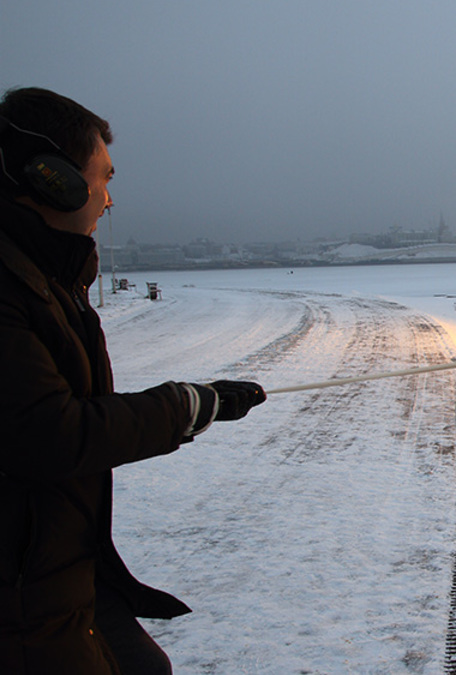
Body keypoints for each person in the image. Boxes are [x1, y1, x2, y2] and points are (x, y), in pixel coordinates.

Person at [0, 87, 267, 673]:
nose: (109, 199)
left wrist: (204, 405)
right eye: (103, 177)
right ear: (54, 180)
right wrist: (186, 406)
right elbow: (51, 431)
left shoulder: (47, 280)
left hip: (60, 572)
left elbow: (67, 410)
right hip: (23, 599)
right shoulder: (13, 287)